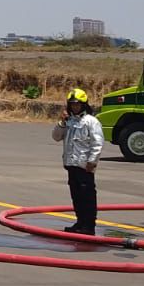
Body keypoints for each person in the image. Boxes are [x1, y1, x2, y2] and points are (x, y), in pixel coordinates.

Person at [52, 87, 104, 235]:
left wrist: (92, 162)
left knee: (87, 197)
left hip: (84, 166)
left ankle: (89, 226)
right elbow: (56, 137)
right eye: (72, 104)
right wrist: (62, 122)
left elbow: (97, 143)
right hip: (71, 165)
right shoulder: (68, 122)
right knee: (76, 196)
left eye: (78, 104)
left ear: (84, 105)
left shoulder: (91, 121)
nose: (75, 106)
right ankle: (80, 222)